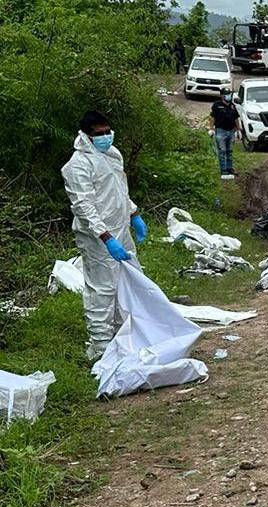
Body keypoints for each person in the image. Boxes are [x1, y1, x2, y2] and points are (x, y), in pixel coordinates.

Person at [61, 111, 148, 360]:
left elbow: (118, 190)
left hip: (120, 229)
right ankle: (100, 348)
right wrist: (105, 237)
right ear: (86, 136)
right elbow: (84, 206)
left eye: (108, 131)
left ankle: (124, 337)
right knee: (102, 290)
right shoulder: (78, 166)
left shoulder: (112, 154)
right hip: (97, 237)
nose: (106, 137)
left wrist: (133, 213)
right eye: (99, 134)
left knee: (128, 282)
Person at [209, 88, 239, 180]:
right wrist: (211, 129)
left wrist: (239, 130)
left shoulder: (232, 106)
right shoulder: (217, 105)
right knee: (222, 151)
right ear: (222, 95)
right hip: (220, 131)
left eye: (229, 94)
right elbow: (212, 118)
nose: (228, 96)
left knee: (229, 151)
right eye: (226, 94)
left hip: (231, 131)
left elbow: (236, 118)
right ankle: (223, 170)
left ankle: (230, 169)